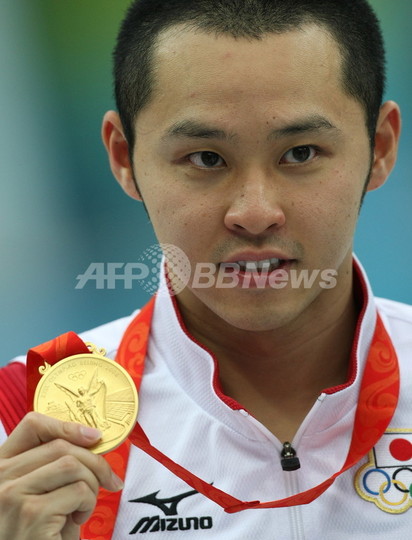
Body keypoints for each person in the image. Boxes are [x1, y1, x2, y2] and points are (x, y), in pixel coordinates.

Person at [0, 0, 411, 538]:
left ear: (379, 147)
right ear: (124, 158)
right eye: (206, 159)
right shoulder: (22, 417)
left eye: (302, 152)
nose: (255, 212)